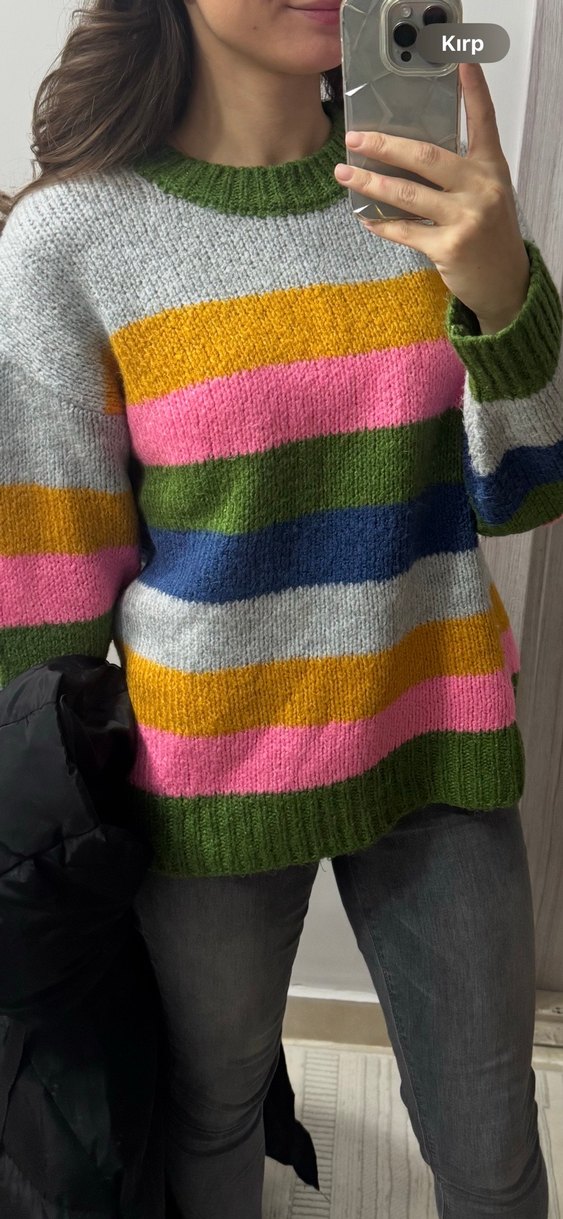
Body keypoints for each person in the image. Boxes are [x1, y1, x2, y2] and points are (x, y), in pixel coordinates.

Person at [1, 2, 561, 1216]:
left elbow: (528, 489)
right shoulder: (71, 237)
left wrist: (497, 284)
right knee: (212, 1113)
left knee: (490, 1144)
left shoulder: (435, 186)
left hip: (436, 735)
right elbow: (51, 569)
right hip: (204, 778)